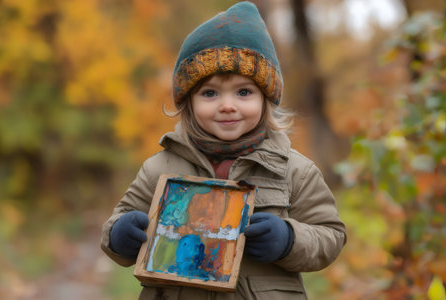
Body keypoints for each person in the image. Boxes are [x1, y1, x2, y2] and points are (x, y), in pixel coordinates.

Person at [101, 2, 346, 299]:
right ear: (188, 103)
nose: (227, 105)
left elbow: (331, 235)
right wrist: (120, 234)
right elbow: (119, 224)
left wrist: (289, 239)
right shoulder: (160, 167)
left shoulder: (294, 170)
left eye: (244, 92)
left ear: (265, 100)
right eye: (209, 93)